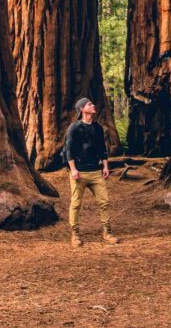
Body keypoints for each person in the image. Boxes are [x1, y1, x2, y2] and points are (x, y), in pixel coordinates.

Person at [64, 97, 116, 247]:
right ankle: (75, 235)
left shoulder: (97, 128)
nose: (93, 105)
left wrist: (105, 166)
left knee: (104, 202)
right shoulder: (74, 128)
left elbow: (102, 149)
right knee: (75, 204)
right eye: (89, 104)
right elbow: (69, 150)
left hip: (95, 172)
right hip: (79, 173)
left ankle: (107, 232)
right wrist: (73, 170)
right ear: (82, 109)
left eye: (92, 103)